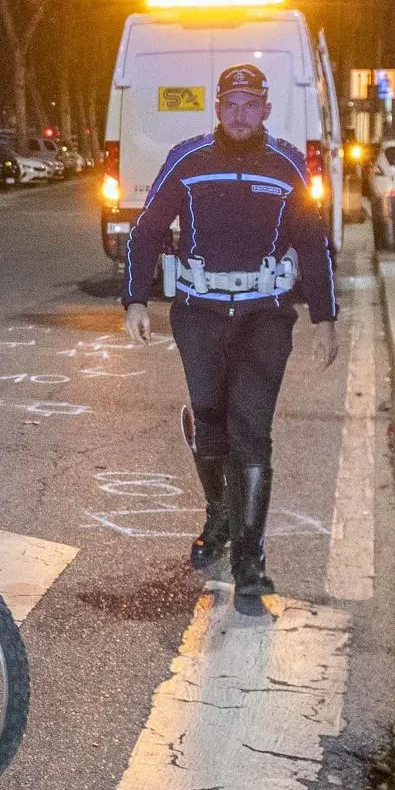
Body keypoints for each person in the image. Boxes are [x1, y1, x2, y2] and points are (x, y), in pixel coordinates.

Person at [122, 63, 339, 605]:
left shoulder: (289, 162)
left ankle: (250, 560)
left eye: (250, 104)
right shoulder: (188, 160)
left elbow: (313, 241)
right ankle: (218, 513)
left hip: (265, 318)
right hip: (199, 316)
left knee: (252, 432)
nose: (240, 114)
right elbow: (147, 230)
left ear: (266, 109)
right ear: (217, 108)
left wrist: (326, 318)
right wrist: (134, 300)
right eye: (230, 104)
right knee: (212, 428)